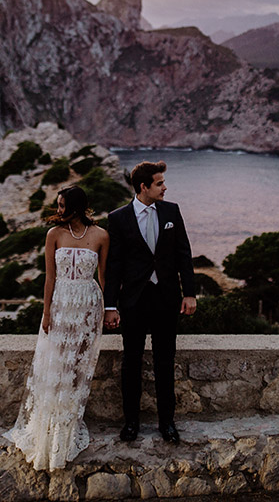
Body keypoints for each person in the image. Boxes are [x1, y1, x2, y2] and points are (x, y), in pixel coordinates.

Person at [5, 185, 109, 470]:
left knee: (77, 366)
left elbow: (104, 278)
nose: (59, 210)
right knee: (56, 365)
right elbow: (49, 279)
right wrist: (46, 313)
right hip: (61, 304)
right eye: (59, 205)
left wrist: (108, 310)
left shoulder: (101, 236)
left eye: (63, 206)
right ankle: (48, 423)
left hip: (88, 306)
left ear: (76, 207)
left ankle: (69, 421)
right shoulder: (54, 235)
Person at [103, 160, 196, 444]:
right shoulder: (118, 218)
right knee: (131, 363)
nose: (165, 187)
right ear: (144, 187)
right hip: (133, 302)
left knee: (165, 362)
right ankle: (131, 423)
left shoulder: (172, 211)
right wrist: (110, 306)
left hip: (167, 299)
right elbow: (114, 265)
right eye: (159, 183)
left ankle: (167, 423)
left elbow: (184, 253)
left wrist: (189, 293)